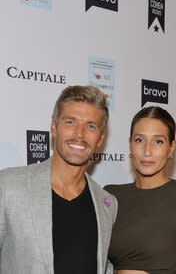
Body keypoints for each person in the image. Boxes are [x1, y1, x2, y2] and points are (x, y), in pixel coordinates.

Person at [0, 85, 118, 274]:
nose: (79, 134)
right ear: (54, 127)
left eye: (90, 126)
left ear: (100, 138)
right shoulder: (8, 186)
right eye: (70, 122)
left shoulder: (108, 205)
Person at [105, 106, 176, 274]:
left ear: (171, 148)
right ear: (130, 145)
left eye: (158, 141)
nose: (147, 151)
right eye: (139, 140)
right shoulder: (111, 195)